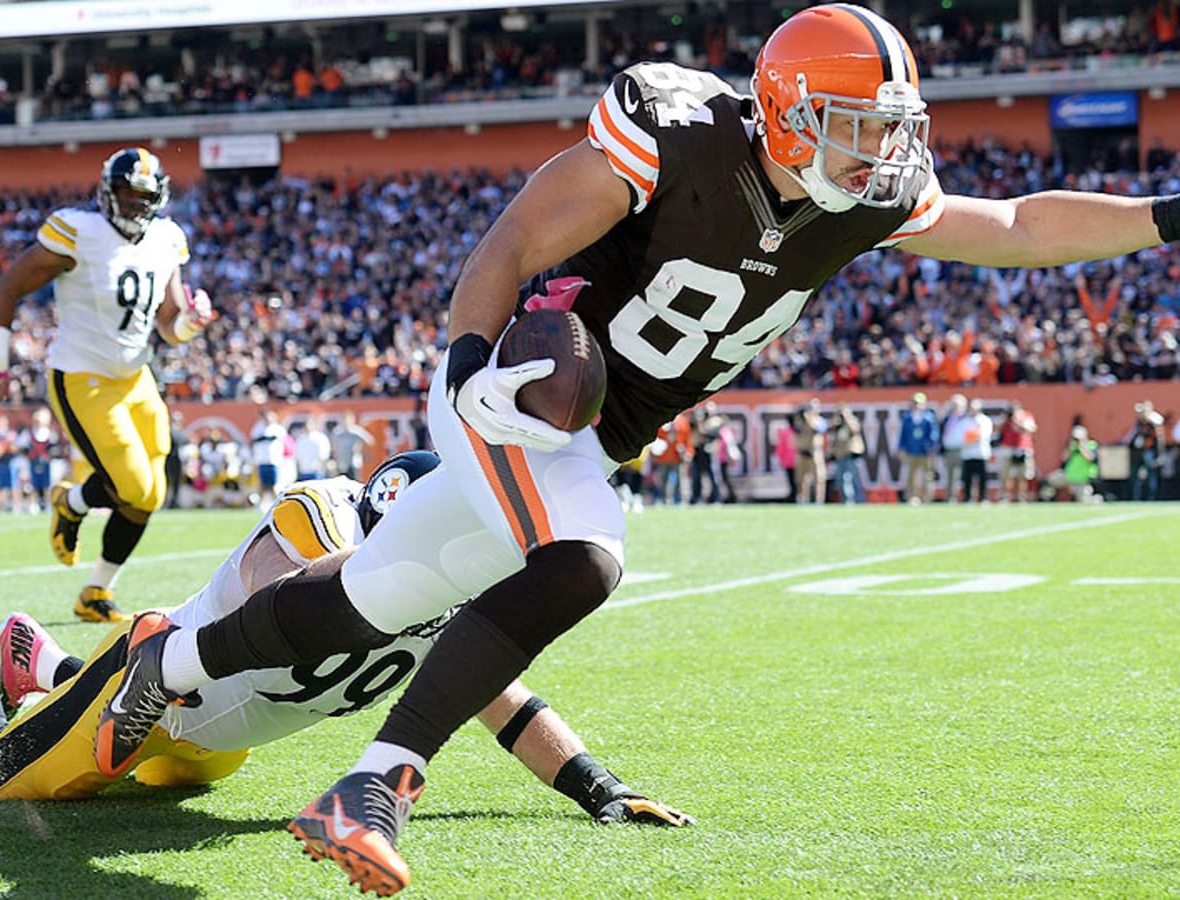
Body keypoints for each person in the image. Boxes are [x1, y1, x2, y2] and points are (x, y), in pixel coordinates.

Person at [94, 5, 1180, 893]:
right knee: (584, 559)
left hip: (596, 437)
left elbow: (1024, 228)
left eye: (893, 123)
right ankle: (375, 781)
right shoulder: (675, 129)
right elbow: (515, 237)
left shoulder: (874, 197)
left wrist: (1164, 215)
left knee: (377, 594)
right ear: (791, 115)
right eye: (860, 120)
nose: (885, 147)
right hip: (526, 396)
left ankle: (169, 663)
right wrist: (471, 367)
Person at [0, 451, 689, 846]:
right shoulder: (322, 510)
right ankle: (23, 689)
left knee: (149, 783)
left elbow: (502, 701)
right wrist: (377, 602)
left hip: (220, 744)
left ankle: (39, 662)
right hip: (145, 690)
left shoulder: (443, 586)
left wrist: (599, 786)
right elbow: (276, 600)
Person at [0, 147, 215, 622]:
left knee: (151, 491)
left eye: (143, 196)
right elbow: (8, 287)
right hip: (82, 375)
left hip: (136, 376)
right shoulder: (78, 231)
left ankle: (95, 591)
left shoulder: (167, 238)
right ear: (108, 193)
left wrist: (192, 322)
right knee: (132, 484)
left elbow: (168, 326)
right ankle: (72, 501)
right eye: (126, 194)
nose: (133, 204)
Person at [897, 391, 938, 505]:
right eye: (915, 403)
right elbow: (903, 435)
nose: (917, 405)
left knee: (927, 476)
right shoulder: (908, 418)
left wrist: (931, 448)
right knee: (910, 476)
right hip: (911, 450)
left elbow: (933, 434)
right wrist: (901, 448)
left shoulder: (929, 418)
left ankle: (927, 498)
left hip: (925, 451)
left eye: (919, 403)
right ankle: (911, 497)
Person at [997, 400, 1038, 502]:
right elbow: (999, 430)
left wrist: (1018, 422)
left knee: (1023, 475)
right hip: (1007, 447)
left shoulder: (1026, 416)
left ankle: (1021, 496)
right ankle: (1005, 496)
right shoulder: (1006, 419)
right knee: (1005, 474)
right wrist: (1007, 419)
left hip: (1023, 448)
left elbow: (1032, 428)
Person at [959, 398, 994, 503]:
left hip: (981, 453)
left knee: (982, 478)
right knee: (967, 478)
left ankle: (983, 497)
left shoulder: (985, 420)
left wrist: (972, 435)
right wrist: (971, 436)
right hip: (967, 453)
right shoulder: (964, 421)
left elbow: (984, 434)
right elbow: (962, 435)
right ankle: (967, 498)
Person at [830, 407, 867, 504]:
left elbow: (854, 430)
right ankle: (846, 501)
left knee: (854, 479)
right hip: (840, 455)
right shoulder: (838, 424)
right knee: (841, 480)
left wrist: (847, 417)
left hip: (850, 454)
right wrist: (837, 418)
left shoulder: (852, 421)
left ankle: (859, 500)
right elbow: (831, 429)